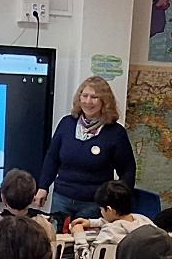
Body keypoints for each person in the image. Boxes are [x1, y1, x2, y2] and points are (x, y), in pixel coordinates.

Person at [38, 75, 136, 222]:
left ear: (105, 101)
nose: (88, 101)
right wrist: (43, 187)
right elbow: (52, 159)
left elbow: (128, 169)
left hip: (94, 204)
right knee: (56, 236)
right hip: (62, 199)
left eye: (94, 97)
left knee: (84, 237)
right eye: (85, 96)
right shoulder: (66, 124)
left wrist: (118, 201)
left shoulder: (116, 133)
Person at [67, 179, 155, 259]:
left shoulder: (109, 232)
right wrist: (91, 223)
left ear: (109, 209)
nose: (101, 212)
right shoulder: (145, 221)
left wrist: (79, 236)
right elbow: (121, 222)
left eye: (101, 209)